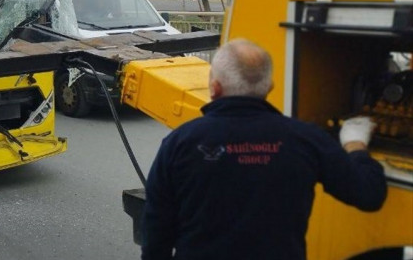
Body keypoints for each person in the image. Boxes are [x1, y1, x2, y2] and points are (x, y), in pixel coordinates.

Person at [141, 39, 388, 260]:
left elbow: (156, 229)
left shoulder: (179, 143)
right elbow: (369, 194)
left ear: (214, 88)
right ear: (269, 87)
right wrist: (355, 144)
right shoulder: (306, 139)